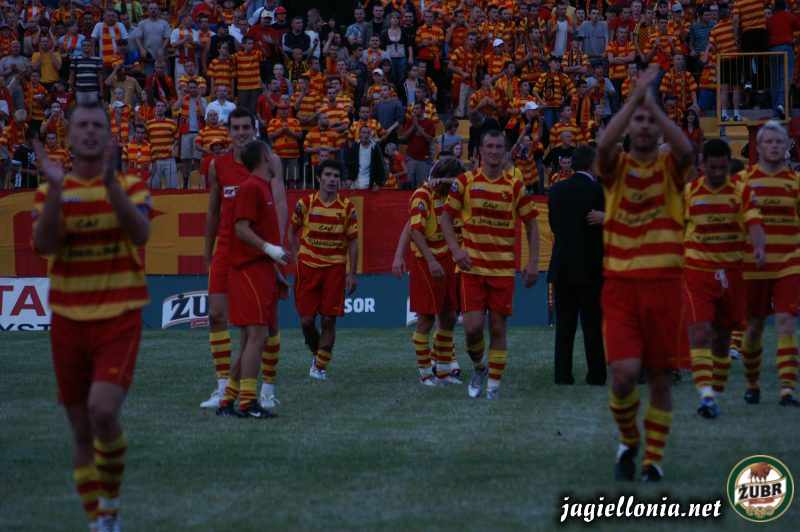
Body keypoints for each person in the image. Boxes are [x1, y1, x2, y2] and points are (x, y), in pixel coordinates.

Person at [32, 102, 151, 532]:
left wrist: (109, 186)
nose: (89, 131)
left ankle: (111, 506)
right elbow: (44, 245)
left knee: (102, 411)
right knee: (81, 430)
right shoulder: (51, 190)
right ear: (69, 136)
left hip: (119, 314)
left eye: (97, 125)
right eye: (81, 125)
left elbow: (141, 233)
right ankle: (99, 521)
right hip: (68, 318)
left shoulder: (130, 185)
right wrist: (56, 192)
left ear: (108, 135)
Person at [595, 65, 694, 482]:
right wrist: (637, 99)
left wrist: (652, 106)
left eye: (651, 121)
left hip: (664, 285)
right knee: (622, 376)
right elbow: (603, 146)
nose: (644, 126)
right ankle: (628, 439)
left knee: (659, 377)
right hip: (621, 285)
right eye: (637, 120)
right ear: (628, 125)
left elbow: (687, 151)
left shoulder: (671, 167)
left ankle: (652, 459)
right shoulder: (616, 167)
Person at [440, 130, 540, 400]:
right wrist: (456, 250)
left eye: (499, 147)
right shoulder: (464, 182)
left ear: (505, 151)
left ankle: (493, 388)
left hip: (503, 270)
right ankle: (480, 367)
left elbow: (532, 224)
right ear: (480, 151)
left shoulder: (515, 186)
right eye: (489, 146)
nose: (494, 151)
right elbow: (445, 219)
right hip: (472, 269)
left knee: (497, 328)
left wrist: (533, 262)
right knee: (472, 329)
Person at [683, 138, 766, 419]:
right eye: (712, 168)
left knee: (722, 336)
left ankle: (715, 390)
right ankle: (706, 395)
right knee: (700, 330)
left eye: (722, 168)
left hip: (732, 271)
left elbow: (754, 222)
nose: (717, 173)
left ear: (728, 165)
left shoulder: (741, 191)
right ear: (702, 165)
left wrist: (759, 247)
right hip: (697, 269)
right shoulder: (690, 192)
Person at [219, 139, 288, 418]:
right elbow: (240, 228)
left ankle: (228, 400)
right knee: (257, 336)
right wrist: (269, 249)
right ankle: (248, 402)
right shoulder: (251, 187)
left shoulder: (261, 187)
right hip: (249, 270)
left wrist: (275, 269)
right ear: (264, 158)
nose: (275, 158)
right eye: (271, 153)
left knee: (251, 338)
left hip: (261, 269)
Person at [739, 120, 800, 407]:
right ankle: (752, 383)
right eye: (769, 142)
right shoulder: (743, 181)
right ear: (759, 147)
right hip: (754, 265)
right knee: (754, 327)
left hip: (789, 261)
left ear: (786, 146)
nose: (774, 146)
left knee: (786, 323)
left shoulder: (795, 182)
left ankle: (787, 389)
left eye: (779, 141)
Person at [288, 159, 358, 381]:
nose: (332, 179)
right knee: (306, 321)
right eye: (327, 175)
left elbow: (353, 241)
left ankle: (319, 367)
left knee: (329, 319)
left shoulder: (347, 207)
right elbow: (292, 231)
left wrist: (352, 273)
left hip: (335, 269)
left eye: (336, 176)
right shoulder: (305, 203)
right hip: (308, 268)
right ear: (319, 178)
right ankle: (317, 354)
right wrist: (298, 255)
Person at [402, 157, 465, 385]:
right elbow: (415, 231)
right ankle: (425, 372)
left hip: (447, 259)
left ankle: (444, 371)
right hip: (425, 262)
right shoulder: (422, 195)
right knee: (426, 318)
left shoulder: (451, 196)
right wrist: (431, 261)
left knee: (449, 316)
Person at [547, 145, 606, 386]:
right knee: (592, 324)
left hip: (563, 264)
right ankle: (596, 374)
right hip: (591, 265)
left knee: (564, 325)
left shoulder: (556, 189)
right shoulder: (597, 190)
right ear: (592, 164)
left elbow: (553, 225)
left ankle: (562, 374)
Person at [345, 125, 386, 190]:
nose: (366, 135)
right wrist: (349, 178)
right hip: (355, 183)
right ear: (359, 134)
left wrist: (378, 183)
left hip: (369, 185)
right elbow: (349, 164)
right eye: (363, 132)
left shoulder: (375, 148)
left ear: (370, 135)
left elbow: (380, 166)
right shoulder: (355, 147)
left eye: (368, 133)